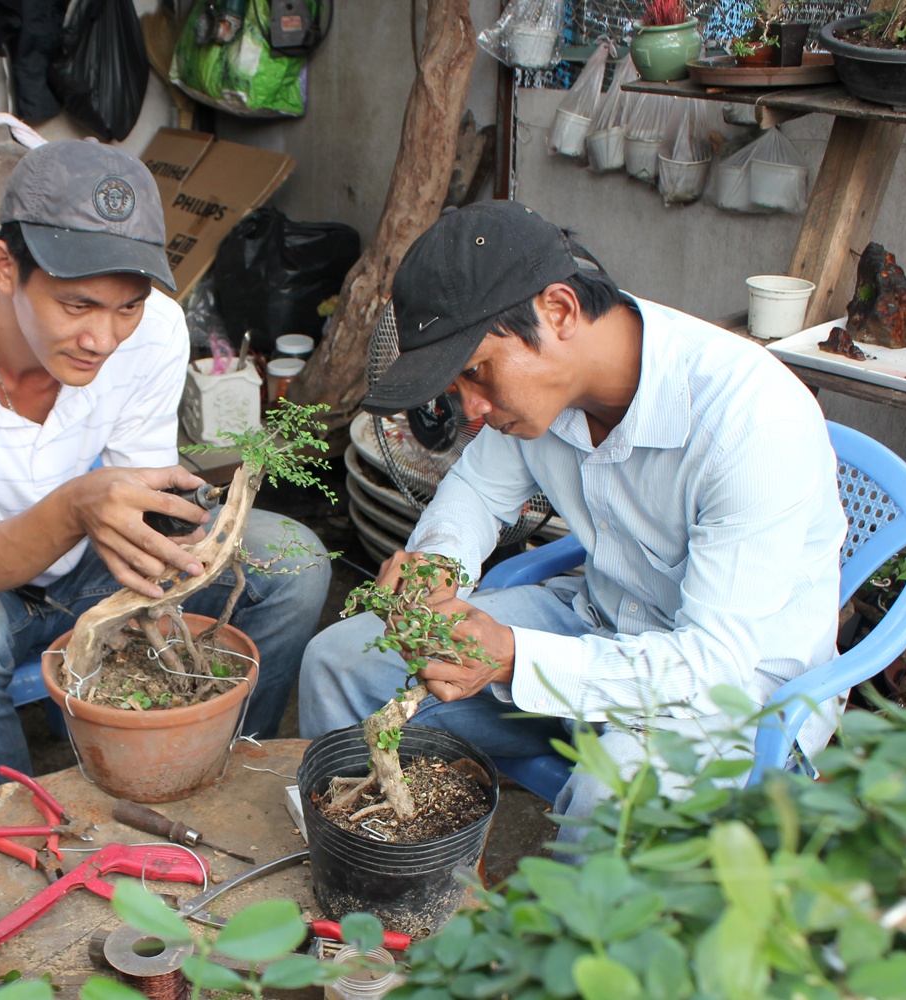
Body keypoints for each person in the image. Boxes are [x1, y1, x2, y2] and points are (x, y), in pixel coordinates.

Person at [300, 201, 845, 832]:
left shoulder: (752, 423)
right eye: (456, 387)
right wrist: (439, 562)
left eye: (476, 372)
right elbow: (476, 491)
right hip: (598, 621)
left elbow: (711, 665)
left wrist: (511, 657)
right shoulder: (541, 387)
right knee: (340, 662)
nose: (471, 409)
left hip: (734, 692)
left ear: (558, 312)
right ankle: (353, 864)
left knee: (612, 800)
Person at [0, 139, 330, 808]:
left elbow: (140, 494)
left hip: (89, 560)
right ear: (5, 268)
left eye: (126, 306)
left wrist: (185, 537)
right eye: (76, 305)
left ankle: (226, 776)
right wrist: (79, 506)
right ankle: (23, 837)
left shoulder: (155, 330)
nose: (102, 339)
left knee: (293, 563)